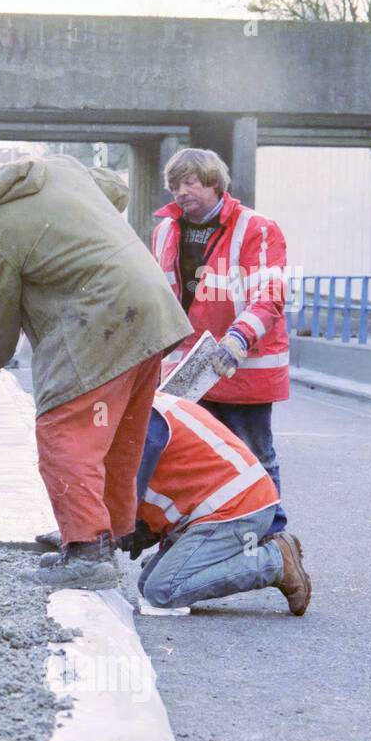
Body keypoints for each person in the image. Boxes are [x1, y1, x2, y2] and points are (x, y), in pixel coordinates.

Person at [0, 156, 192, 588]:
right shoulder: (58, 171)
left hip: (101, 319)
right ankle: (103, 537)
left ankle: (87, 551)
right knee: (116, 437)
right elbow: (116, 188)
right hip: (152, 312)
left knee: (63, 433)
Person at [150, 147, 290, 537]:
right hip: (188, 366)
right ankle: (194, 538)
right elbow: (161, 298)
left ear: (214, 183)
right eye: (175, 185)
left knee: (254, 454)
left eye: (190, 182)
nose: (181, 192)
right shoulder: (165, 231)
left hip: (243, 366)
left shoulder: (255, 228)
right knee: (188, 457)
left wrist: (238, 338)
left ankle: (270, 539)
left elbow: (269, 293)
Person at [120, 392, 310, 614]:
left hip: (237, 508)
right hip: (224, 506)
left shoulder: (142, 421)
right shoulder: (138, 406)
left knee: (162, 591)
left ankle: (273, 562)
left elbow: (128, 494)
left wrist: (117, 531)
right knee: (147, 584)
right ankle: (240, 555)